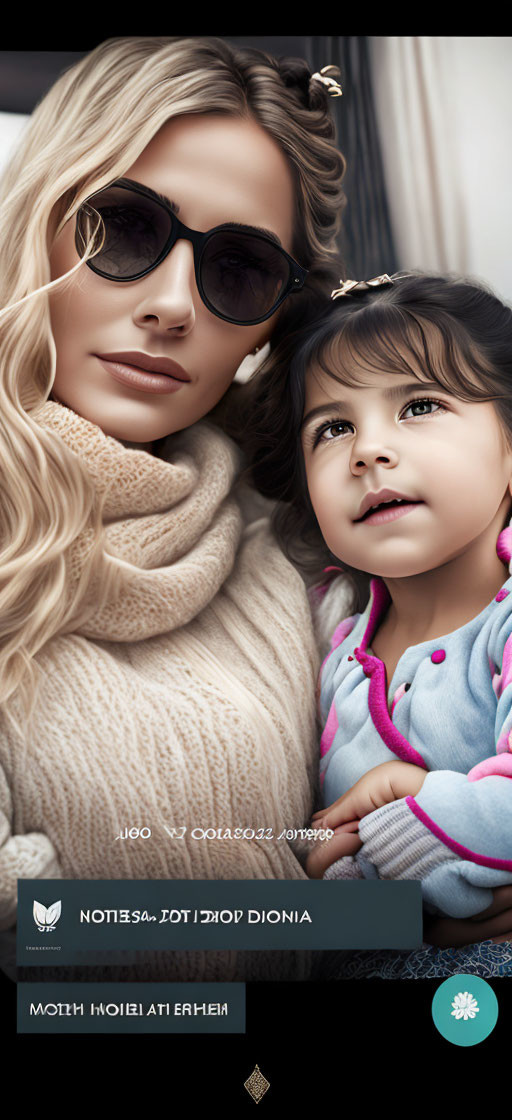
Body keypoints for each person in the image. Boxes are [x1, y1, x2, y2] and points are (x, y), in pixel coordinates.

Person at [0, 37, 346, 981]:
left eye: (236, 270)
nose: (172, 305)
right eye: (125, 226)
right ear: (40, 217)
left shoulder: (300, 539)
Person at [241, 271, 512, 956]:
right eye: (332, 428)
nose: (368, 451)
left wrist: (414, 802)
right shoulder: (324, 641)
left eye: (419, 406)